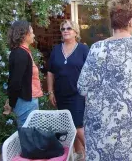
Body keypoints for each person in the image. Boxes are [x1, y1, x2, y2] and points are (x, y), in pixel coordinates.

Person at [77, 0, 132, 161]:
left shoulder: (97, 49)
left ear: (111, 22)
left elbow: (82, 87)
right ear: (131, 22)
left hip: (104, 133)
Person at [47, 20, 89, 161]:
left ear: (76, 32)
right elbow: (50, 72)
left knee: (78, 126)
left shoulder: (83, 50)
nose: (65, 30)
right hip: (61, 95)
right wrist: (51, 91)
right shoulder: (56, 50)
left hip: (78, 94)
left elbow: (90, 72)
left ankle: (94, 154)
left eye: (69, 28)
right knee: (70, 127)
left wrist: (89, 92)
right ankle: (79, 155)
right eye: (63, 28)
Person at [7, 20, 43, 128]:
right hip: (25, 102)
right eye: (31, 32)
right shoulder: (20, 54)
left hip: (29, 100)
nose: (34, 35)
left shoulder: (24, 52)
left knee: (31, 136)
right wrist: (11, 103)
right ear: (24, 34)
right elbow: (15, 82)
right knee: (28, 137)